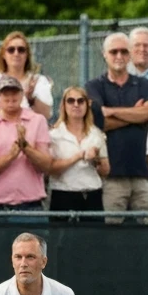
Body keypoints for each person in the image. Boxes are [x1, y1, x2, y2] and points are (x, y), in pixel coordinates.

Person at [87, 33, 148, 224]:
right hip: (112, 176)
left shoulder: (143, 84)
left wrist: (110, 111)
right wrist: (136, 114)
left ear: (130, 55)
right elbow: (100, 123)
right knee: (112, 235)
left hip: (143, 174)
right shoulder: (94, 86)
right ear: (104, 54)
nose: (119, 56)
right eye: (114, 51)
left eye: (124, 51)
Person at [0, 76, 52, 217]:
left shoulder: (38, 121)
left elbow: (46, 166)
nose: (10, 97)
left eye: (14, 92)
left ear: (22, 95)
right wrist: (11, 156)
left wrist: (26, 148)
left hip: (30, 206)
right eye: (5, 93)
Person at [47, 87, 110, 220]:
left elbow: (105, 170)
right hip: (64, 195)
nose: (76, 105)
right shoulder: (53, 135)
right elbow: (51, 169)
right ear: (64, 105)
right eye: (71, 101)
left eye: (81, 101)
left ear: (87, 104)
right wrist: (78, 156)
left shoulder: (96, 134)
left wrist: (96, 159)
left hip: (92, 195)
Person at [0, 32, 53, 119]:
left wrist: (31, 99)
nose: (16, 53)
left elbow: (46, 115)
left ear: (27, 55)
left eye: (21, 50)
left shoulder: (38, 80)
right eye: (11, 50)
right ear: (3, 54)